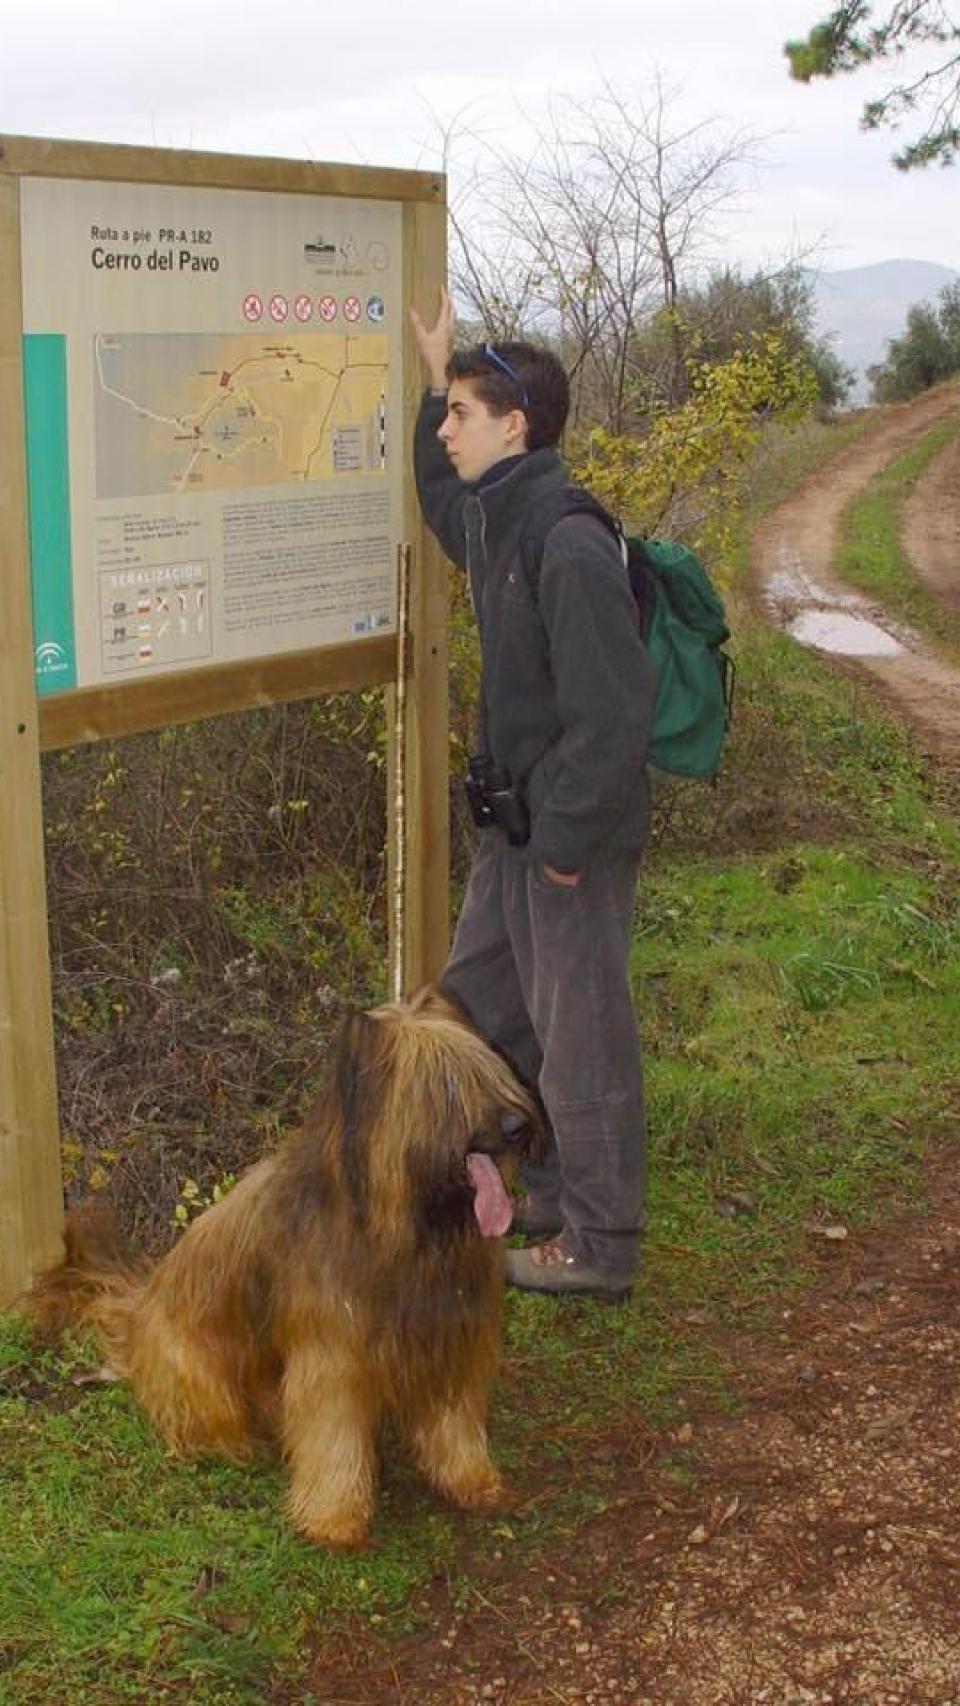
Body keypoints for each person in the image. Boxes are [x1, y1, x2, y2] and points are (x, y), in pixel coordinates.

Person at [410, 289, 655, 1301]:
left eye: (463, 412)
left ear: (516, 425)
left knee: (580, 1030)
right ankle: (544, 1191)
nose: (450, 430)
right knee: (477, 1012)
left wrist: (558, 842)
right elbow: (440, 498)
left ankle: (599, 1242)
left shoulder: (566, 541)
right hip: (512, 832)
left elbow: (615, 718)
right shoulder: (498, 518)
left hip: (565, 839)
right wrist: (433, 381)